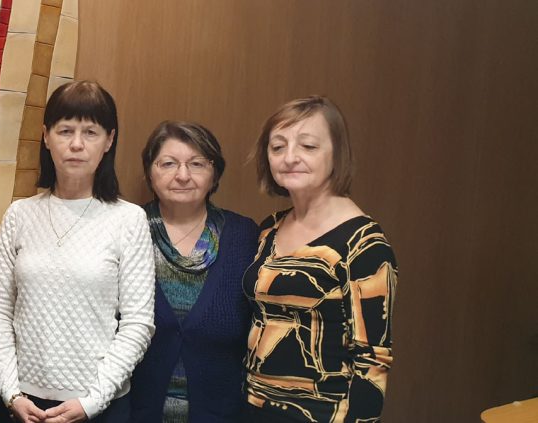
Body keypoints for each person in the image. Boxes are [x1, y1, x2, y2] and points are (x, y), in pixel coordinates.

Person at [0, 81, 155, 423]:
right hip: (24, 405)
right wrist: (11, 393)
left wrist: (93, 401)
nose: (77, 144)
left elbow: (138, 323)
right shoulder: (20, 215)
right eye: (65, 131)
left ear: (109, 140)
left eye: (90, 132)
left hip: (99, 405)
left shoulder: (129, 219)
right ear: (46, 137)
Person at [242, 96, 398, 422]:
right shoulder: (270, 228)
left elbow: (372, 361)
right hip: (253, 406)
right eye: (278, 147)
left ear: (337, 154)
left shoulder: (364, 243)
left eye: (308, 146)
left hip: (323, 414)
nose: (290, 157)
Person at [127, 121, 259, 422]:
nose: (183, 175)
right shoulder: (128, 229)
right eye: (168, 164)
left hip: (221, 414)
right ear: (149, 171)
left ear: (215, 173)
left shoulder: (244, 236)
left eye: (197, 164)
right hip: (134, 411)